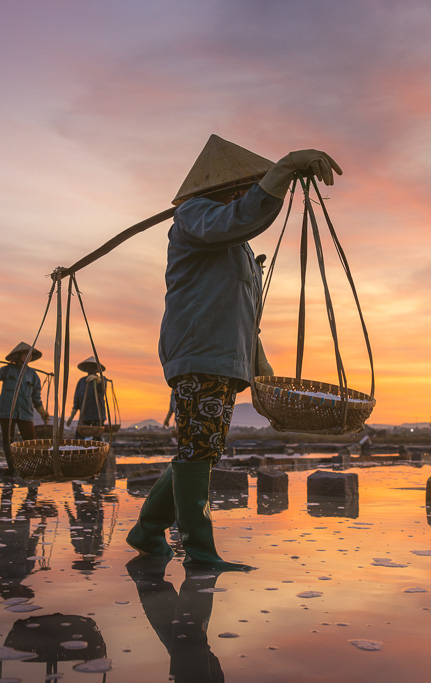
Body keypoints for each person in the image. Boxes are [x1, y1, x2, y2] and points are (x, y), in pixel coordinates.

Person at [126, 135, 341, 571]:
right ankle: (199, 552)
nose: (249, 192)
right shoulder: (195, 216)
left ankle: (148, 531)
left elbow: (247, 317)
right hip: (199, 351)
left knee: (202, 448)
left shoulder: (238, 246)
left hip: (225, 357)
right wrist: (284, 169)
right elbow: (240, 218)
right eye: (247, 185)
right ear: (231, 187)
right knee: (197, 449)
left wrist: (260, 370)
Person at [0, 342, 50, 475]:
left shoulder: (33, 375)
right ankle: (12, 467)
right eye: (25, 354)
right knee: (8, 440)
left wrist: (42, 412)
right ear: (18, 355)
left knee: (30, 441)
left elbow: (36, 397)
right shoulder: (7, 370)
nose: (28, 357)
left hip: (25, 412)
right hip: (7, 412)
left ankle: (33, 468)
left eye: (30, 355)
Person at [65, 356, 108, 438]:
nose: (90, 369)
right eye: (88, 367)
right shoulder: (81, 382)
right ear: (86, 368)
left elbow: (103, 388)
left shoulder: (102, 379)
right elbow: (77, 400)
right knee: (78, 438)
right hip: (84, 416)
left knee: (97, 439)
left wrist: (97, 380)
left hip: (97, 416)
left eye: (93, 367)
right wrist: (72, 415)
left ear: (96, 369)